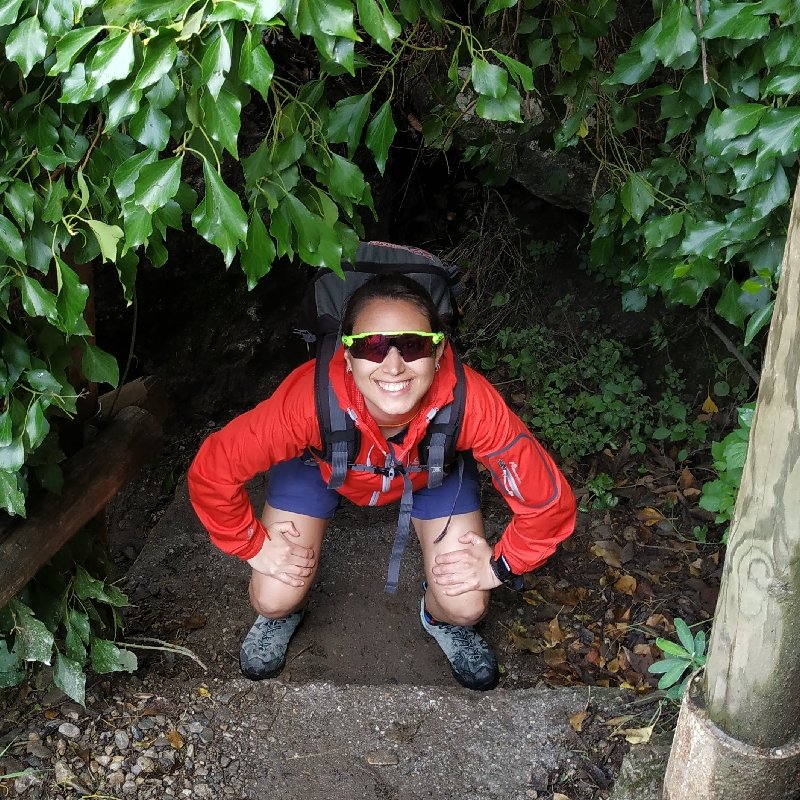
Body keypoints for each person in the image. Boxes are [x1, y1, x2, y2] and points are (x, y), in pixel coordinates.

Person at [188, 271, 576, 691]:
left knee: (466, 605)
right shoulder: (309, 401)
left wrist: (500, 565)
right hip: (320, 464)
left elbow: (547, 502)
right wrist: (254, 545)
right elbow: (213, 471)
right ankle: (283, 615)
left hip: (431, 469)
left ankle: (440, 619)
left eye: (413, 345)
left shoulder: (471, 404)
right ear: (347, 356)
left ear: (439, 352)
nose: (393, 365)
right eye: (371, 346)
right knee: (273, 597)